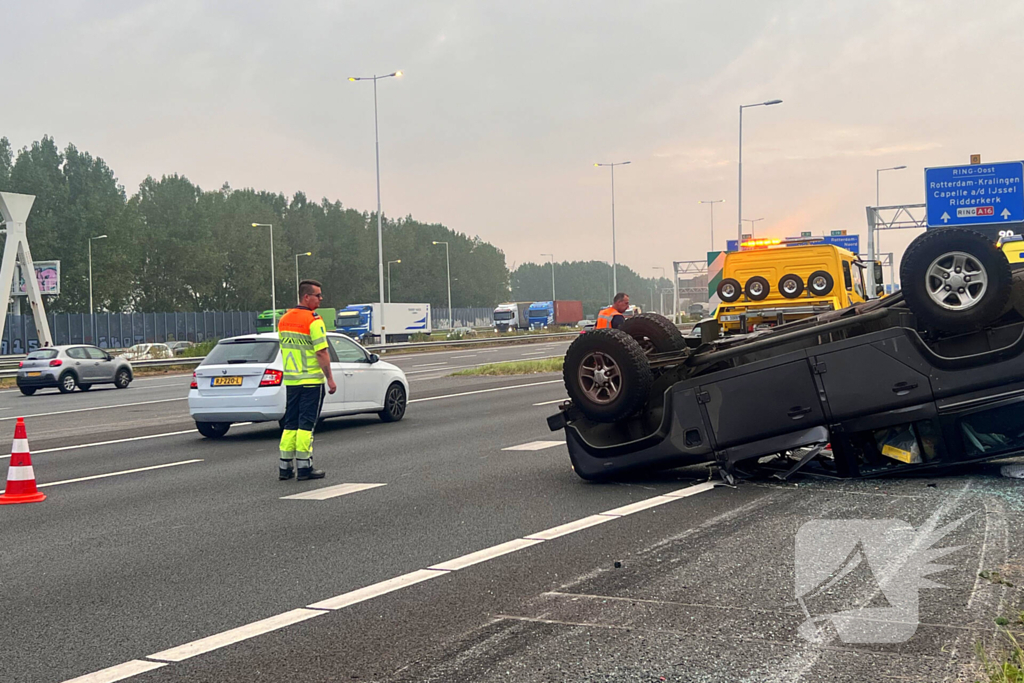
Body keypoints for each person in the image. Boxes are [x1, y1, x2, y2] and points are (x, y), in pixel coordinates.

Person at [277, 279, 337, 481]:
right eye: (318, 295)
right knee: (306, 425)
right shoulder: (314, 320)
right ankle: (304, 467)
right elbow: (321, 352)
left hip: (292, 381)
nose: (321, 299)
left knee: (290, 424)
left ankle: (285, 467)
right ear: (306, 297)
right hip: (311, 380)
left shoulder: (284, 319)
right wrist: (330, 378)